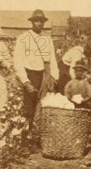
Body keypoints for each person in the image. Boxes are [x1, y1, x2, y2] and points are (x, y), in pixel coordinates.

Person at [13, 9, 59, 139]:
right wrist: (25, 81)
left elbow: (52, 59)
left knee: (42, 106)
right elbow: (18, 61)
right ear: (32, 22)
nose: (39, 23)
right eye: (36, 21)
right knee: (29, 108)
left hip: (44, 75)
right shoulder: (23, 38)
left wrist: (54, 77)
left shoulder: (47, 40)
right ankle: (25, 138)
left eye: (41, 21)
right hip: (30, 74)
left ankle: (37, 137)